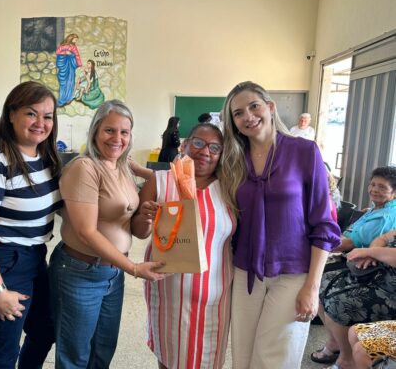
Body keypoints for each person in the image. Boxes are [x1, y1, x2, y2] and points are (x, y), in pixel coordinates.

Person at [220, 81, 341, 368]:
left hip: (293, 273)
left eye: (254, 106)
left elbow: (323, 223)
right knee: (243, 357)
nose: (248, 116)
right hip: (246, 271)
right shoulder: (233, 159)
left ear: (270, 107)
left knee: (274, 359)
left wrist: (312, 286)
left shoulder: (305, 151)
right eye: (238, 113)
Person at [48, 100, 165, 368]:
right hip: (80, 271)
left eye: (124, 132)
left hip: (112, 274)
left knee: (102, 351)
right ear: (95, 131)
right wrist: (133, 267)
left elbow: (137, 228)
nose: (117, 138)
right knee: (75, 356)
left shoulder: (122, 167)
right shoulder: (84, 167)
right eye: (109, 130)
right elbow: (86, 232)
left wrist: (146, 215)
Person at [0, 81, 62, 369]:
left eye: (47, 116)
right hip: (0, 260)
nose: (40, 123)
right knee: (4, 350)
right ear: (11, 114)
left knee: (45, 330)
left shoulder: (44, 155)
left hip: (33, 256)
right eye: (31, 113)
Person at [134, 122, 236, 369]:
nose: (205, 152)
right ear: (185, 145)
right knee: (169, 356)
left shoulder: (229, 188)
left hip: (215, 295)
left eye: (214, 147)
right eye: (199, 143)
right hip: (168, 293)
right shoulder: (160, 181)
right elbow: (139, 231)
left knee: (209, 358)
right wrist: (145, 217)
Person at [311, 166, 396, 365]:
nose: (374, 189)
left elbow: (349, 244)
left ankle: (345, 358)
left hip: (385, 284)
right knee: (321, 286)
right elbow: (384, 238)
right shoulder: (376, 209)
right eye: (373, 184)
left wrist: (371, 252)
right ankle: (336, 344)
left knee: (336, 299)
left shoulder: (385, 215)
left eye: (382, 187)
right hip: (374, 270)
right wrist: (374, 250)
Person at [318, 229, 396, 369]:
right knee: (355, 332)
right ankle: (340, 350)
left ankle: (347, 361)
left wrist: (370, 252)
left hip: (391, 293)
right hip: (379, 276)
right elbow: (383, 238)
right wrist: (372, 254)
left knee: (339, 303)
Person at [56, 33, 82, 107]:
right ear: (71, 38)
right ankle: (62, 99)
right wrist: (65, 53)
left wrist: (79, 64)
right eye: (75, 39)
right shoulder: (63, 46)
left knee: (70, 82)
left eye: (76, 40)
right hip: (64, 67)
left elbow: (77, 55)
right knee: (63, 83)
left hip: (71, 68)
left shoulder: (74, 47)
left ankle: (69, 98)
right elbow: (58, 52)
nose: (75, 41)